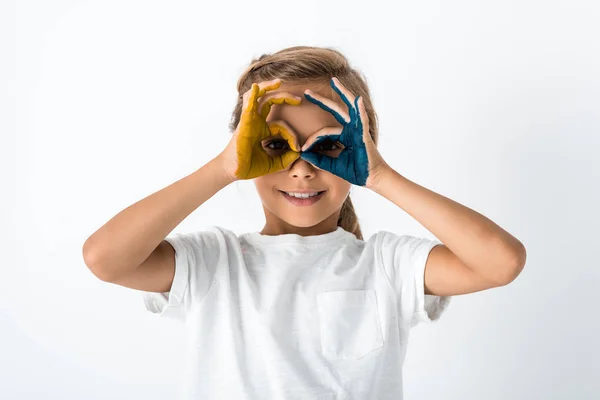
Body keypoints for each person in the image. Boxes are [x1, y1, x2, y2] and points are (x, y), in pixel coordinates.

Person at [82, 46, 527, 399]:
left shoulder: (386, 264)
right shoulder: (213, 262)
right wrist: (221, 169)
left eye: (329, 147)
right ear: (243, 151)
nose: (302, 168)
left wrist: (382, 177)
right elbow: (105, 259)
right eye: (276, 146)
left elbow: (500, 263)